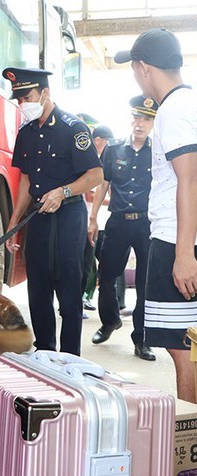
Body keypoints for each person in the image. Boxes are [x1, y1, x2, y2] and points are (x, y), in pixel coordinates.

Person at [115, 28, 197, 402]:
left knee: (183, 349)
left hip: (174, 240)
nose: (135, 76)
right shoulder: (187, 104)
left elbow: (188, 181)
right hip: (181, 236)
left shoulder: (174, 110)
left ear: (144, 67)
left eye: (134, 69)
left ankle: (189, 449)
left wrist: (183, 255)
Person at [3, 67, 103, 356]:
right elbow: (25, 179)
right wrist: (13, 222)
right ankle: (45, 352)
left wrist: (64, 192)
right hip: (39, 218)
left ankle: (71, 359)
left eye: (28, 97)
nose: (23, 104)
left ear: (45, 92)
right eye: (19, 99)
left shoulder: (73, 128)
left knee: (69, 291)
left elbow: (95, 175)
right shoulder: (26, 132)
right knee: (38, 287)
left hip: (69, 218)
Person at [88, 95, 158, 362]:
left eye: (147, 119)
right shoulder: (114, 148)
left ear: (153, 123)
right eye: (138, 118)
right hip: (117, 221)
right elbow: (103, 184)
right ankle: (109, 321)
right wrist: (93, 218)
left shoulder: (158, 151)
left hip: (147, 224)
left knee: (145, 283)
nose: (141, 124)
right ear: (131, 119)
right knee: (106, 276)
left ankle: (141, 339)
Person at [81, 124, 114, 312]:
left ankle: (86, 298)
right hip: (85, 221)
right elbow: (89, 193)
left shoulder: (102, 161)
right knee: (86, 265)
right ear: (98, 140)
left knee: (95, 265)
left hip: (97, 223)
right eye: (107, 142)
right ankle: (80, 300)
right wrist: (113, 202)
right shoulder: (89, 160)